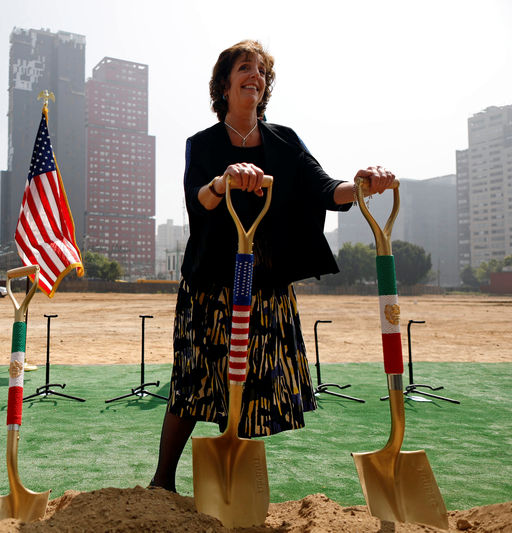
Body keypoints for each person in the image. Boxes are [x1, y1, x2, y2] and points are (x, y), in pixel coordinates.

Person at [149, 39, 395, 492]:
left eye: (262, 71)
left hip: (266, 283)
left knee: (254, 381)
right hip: (211, 283)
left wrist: (360, 185)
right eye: (245, 68)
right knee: (195, 377)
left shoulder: (285, 140)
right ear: (224, 84)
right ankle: (162, 482)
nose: (255, 76)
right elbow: (198, 202)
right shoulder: (202, 144)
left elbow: (325, 189)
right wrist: (222, 182)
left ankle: (234, 483)